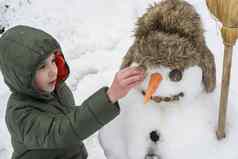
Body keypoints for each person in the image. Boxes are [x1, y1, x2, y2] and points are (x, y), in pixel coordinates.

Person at [0, 25, 145, 159]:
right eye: (42, 67)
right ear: (21, 76)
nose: (53, 71)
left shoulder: (57, 89)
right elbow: (63, 132)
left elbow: (72, 118)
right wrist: (109, 97)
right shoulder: (19, 115)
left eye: (52, 60)